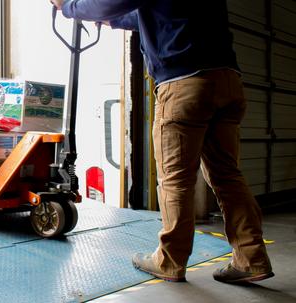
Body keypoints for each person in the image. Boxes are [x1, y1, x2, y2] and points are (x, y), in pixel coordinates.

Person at [50, 0, 274, 283]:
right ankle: (251, 258)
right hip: (227, 80)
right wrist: (116, 21)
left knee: (175, 181)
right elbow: (163, 13)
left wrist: (68, 6)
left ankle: (170, 261)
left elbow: (108, 3)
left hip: (185, 83)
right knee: (227, 175)